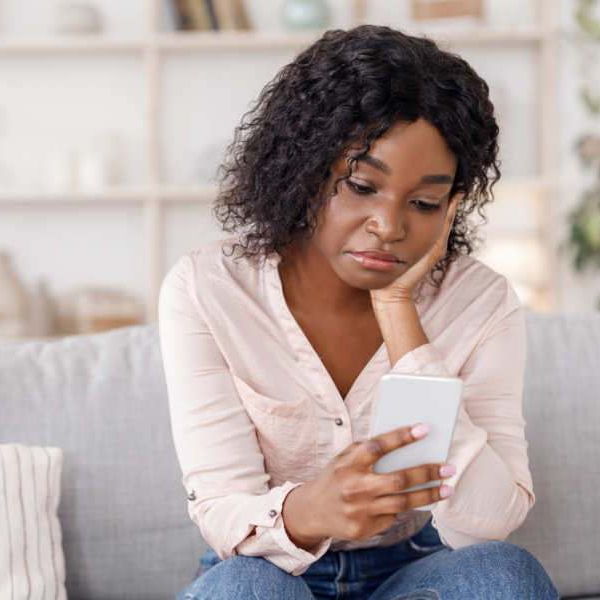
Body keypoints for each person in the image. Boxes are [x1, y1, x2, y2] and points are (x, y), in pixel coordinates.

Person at [158, 25, 559, 600]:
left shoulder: (481, 303)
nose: (390, 227)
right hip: (270, 569)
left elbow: (486, 525)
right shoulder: (208, 289)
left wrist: (402, 318)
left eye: (423, 203)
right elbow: (222, 507)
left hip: (414, 568)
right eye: (362, 186)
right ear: (306, 168)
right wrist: (311, 511)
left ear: (452, 207)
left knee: (503, 575)